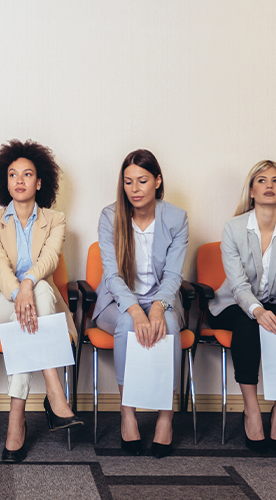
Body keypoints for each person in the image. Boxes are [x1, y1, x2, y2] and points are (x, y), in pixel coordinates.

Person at [0, 139, 83, 463]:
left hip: (36, 304)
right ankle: (53, 386)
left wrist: (29, 284)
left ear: (40, 181)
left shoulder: (55, 220)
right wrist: (20, 292)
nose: (19, 180)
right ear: (5, 182)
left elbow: (49, 259)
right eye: (13, 174)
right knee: (37, 300)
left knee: (40, 296)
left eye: (27, 174)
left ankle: (15, 419)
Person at [92, 149, 188, 458]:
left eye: (142, 181)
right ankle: (127, 413)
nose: (135, 189)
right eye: (128, 182)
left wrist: (158, 307)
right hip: (118, 301)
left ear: (158, 182)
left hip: (163, 298)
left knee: (169, 326)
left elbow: (174, 274)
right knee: (125, 326)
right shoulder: (110, 216)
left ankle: (165, 417)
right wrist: (134, 310)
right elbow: (111, 275)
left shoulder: (176, 217)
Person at [207, 160, 276, 453]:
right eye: (261, 181)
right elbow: (238, 285)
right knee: (249, 324)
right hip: (232, 304)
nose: (269, 186)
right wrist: (258, 311)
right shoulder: (234, 228)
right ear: (251, 190)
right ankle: (251, 409)